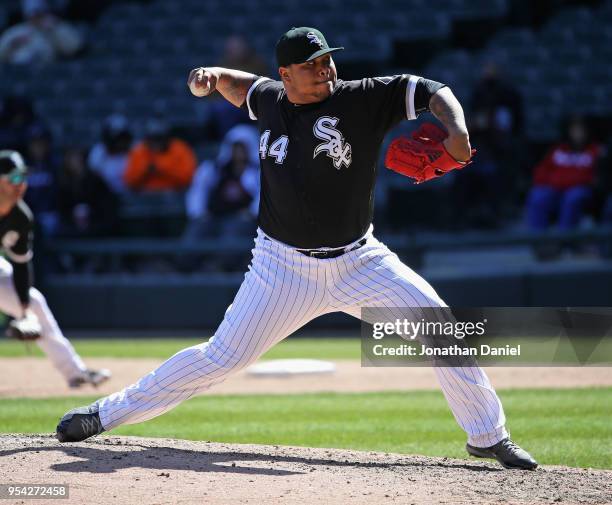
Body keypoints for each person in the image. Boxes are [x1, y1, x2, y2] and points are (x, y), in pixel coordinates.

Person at [56, 27, 537, 471]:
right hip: (280, 269)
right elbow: (236, 83)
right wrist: (208, 76)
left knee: (441, 328)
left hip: (359, 261)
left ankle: (488, 435)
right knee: (220, 357)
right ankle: (103, 414)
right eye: (312, 63)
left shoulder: (362, 97)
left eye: (327, 59)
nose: (326, 68)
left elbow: (434, 89)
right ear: (285, 74)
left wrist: (458, 130)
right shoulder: (269, 98)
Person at [0, 150, 111, 387]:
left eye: (24, 177)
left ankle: (75, 373)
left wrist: (24, 310)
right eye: (14, 178)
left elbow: (20, 264)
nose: (21, 184)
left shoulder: (20, 216)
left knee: (34, 302)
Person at [526, 116, 602, 230]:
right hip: (555, 188)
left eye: (581, 131)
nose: (578, 134)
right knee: (537, 195)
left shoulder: (594, 150)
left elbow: (593, 176)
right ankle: (539, 240)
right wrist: (548, 183)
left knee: (572, 197)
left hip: (580, 189)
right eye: (575, 131)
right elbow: (541, 171)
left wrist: (568, 182)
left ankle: (564, 238)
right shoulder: (558, 149)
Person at [123, 119, 197, 193]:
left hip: (174, 194)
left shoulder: (180, 149)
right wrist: (145, 171)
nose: (156, 142)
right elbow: (129, 181)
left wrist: (161, 168)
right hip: (145, 195)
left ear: (167, 138)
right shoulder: (138, 150)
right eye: (153, 138)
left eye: (159, 138)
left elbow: (188, 178)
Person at [0, 0, 84, 65]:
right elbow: (1, 54)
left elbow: (74, 47)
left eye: (39, 14)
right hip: (19, 72)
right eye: (34, 15)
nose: (37, 17)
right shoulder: (17, 30)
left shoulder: (55, 26)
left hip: (47, 70)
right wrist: (13, 44)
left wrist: (55, 29)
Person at [87, 114, 133, 195]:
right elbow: (94, 177)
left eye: (123, 137)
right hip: (105, 196)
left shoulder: (133, 152)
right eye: (118, 138)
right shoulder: (99, 151)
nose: (121, 141)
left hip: (129, 195)